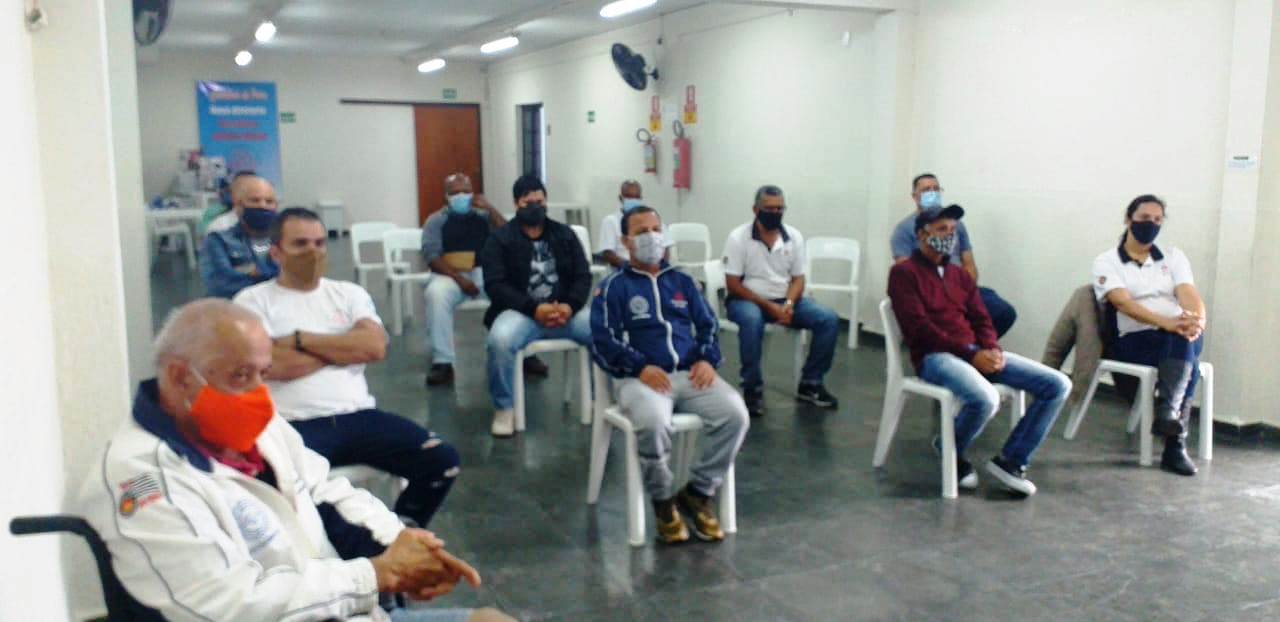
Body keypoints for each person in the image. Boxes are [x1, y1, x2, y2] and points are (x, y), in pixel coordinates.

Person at [81, 299, 513, 622]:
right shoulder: (140, 477)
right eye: (240, 375)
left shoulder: (259, 429)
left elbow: (326, 491)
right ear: (179, 377)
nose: (258, 394)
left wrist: (398, 546)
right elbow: (225, 605)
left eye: (263, 373)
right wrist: (374, 576)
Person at [234, 208, 460, 527]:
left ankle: (400, 533)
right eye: (300, 244)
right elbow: (273, 366)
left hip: (358, 416)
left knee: (441, 460)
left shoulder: (348, 294)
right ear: (276, 253)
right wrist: (345, 349)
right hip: (292, 424)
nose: (313, 252)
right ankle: (324, 545)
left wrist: (299, 339)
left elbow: (374, 347)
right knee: (272, 483)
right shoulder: (252, 302)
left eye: (319, 243)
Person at [888, 204, 1071, 497]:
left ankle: (1011, 461)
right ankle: (951, 449)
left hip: (975, 352)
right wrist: (971, 354)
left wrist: (992, 349)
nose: (949, 236)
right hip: (935, 357)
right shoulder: (903, 273)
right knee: (985, 399)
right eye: (942, 230)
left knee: (1057, 384)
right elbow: (919, 329)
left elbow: (981, 318)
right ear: (922, 234)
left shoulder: (959, 276)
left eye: (953, 230)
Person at [591, 206, 749, 544]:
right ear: (625, 241)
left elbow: (708, 326)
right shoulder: (612, 288)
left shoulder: (683, 281)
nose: (651, 237)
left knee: (736, 414)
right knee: (653, 423)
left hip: (690, 374)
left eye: (655, 229)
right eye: (641, 231)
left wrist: (707, 359)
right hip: (640, 379)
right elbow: (603, 341)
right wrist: (639, 367)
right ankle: (663, 503)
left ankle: (699, 492)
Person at [1091, 194, 1205, 476]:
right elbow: (1123, 303)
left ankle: (1168, 415)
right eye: (1144, 218)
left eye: (1157, 220)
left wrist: (1196, 321)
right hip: (1133, 339)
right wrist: (1167, 323)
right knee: (1185, 353)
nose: (1151, 224)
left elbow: (1188, 293)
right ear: (1128, 219)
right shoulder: (1107, 261)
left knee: (1184, 340)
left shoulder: (1173, 256)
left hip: (1173, 336)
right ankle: (1174, 440)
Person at [479, 175, 593, 437]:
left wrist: (570, 306)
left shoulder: (565, 235)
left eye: (539, 202)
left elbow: (583, 276)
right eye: (527, 202)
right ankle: (504, 408)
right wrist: (533, 309)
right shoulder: (500, 239)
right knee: (499, 340)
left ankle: (603, 399)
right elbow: (495, 285)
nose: (535, 207)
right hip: (521, 313)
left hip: (564, 311)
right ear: (516, 204)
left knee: (602, 329)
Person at [722, 185, 840, 417]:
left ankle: (811, 383)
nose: (775, 213)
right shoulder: (738, 238)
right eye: (769, 208)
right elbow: (733, 283)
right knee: (751, 321)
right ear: (755, 210)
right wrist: (770, 307)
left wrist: (787, 305)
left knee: (828, 319)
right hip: (746, 299)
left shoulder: (793, 237)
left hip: (784, 299)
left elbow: (798, 279)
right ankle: (752, 389)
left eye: (780, 208)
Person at [891, 173, 1018, 337]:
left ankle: (972, 348)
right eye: (926, 190)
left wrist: (966, 291)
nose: (932, 193)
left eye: (936, 189)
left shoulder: (957, 225)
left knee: (1003, 312)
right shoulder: (903, 230)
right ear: (915, 196)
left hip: (961, 289)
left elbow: (969, 264)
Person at [421, 173, 507, 386]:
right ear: (446, 196)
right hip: (449, 274)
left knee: (512, 291)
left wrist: (491, 208)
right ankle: (443, 361)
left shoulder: (484, 217)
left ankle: (521, 351)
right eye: (455, 192)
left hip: (483, 271)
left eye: (466, 191)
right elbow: (432, 257)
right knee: (436, 295)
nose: (461, 196)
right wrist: (459, 279)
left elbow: (509, 236)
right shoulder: (436, 220)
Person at [200, 174, 280, 298]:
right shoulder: (218, 241)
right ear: (238, 206)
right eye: (254, 200)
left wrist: (255, 273)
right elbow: (221, 286)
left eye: (269, 201)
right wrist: (276, 279)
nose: (262, 206)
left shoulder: (287, 239)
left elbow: (301, 277)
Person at [596, 179, 672, 269]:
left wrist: (660, 267)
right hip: (624, 269)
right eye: (628, 196)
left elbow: (666, 247)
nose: (633, 200)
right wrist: (632, 268)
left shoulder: (652, 218)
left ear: (640, 198)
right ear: (620, 198)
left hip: (654, 269)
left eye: (636, 197)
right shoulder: (610, 221)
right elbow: (608, 253)